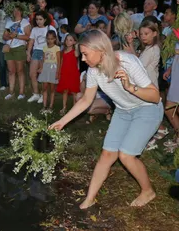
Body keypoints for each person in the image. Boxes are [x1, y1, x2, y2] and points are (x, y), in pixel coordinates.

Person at [49, 30, 163, 209]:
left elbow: (155, 96)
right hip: (124, 111)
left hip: (147, 108)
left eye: (85, 54)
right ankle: (90, 198)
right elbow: (86, 100)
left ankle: (148, 191)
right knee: (107, 154)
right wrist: (63, 121)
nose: (83, 59)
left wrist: (129, 87)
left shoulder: (128, 62)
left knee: (126, 155)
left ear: (100, 49)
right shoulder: (94, 71)